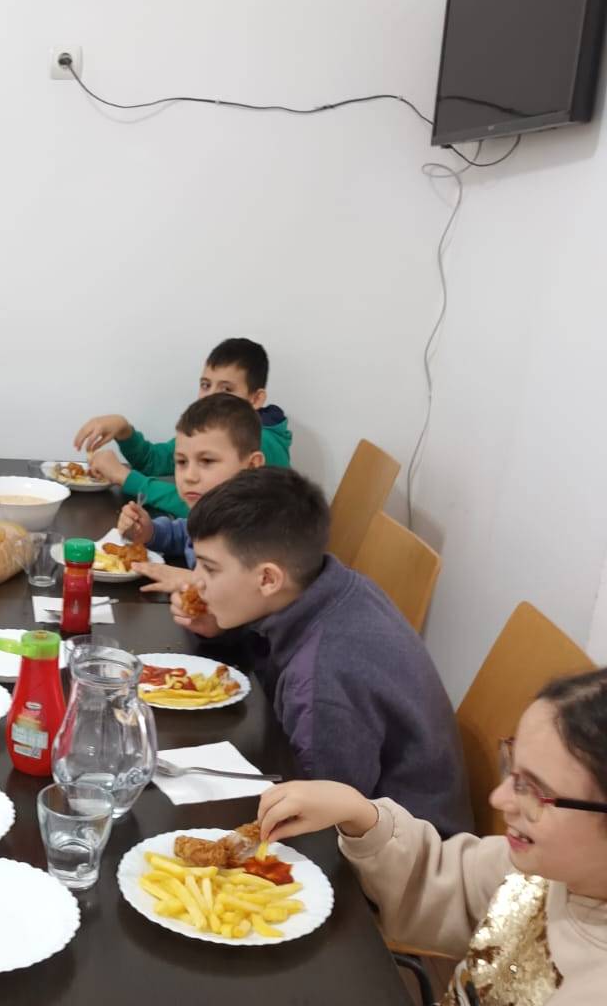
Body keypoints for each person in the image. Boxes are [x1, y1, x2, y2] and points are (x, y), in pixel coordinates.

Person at [102, 668, 607, 1006]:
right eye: (512, 768)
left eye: (535, 791)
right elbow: (449, 879)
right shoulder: (553, 875)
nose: (502, 799)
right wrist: (361, 816)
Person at [174, 467, 472, 835]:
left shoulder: (323, 678)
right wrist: (221, 630)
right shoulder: (333, 586)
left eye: (209, 568)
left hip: (407, 849)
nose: (196, 580)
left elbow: (322, 828)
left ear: (268, 579)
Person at [74, 337, 292, 518]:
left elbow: (208, 506)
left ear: (256, 399)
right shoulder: (209, 429)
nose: (211, 396)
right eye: (205, 385)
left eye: (226, 389)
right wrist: (124, 431)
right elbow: (154, 461)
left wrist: (125, 477)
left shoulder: (262, 442)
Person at [116, 394, 264, 594]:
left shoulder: (259, 531)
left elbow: (253, 595)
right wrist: (149, 531)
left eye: (207, 461)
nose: (189, 476)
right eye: (182, 462)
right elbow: (183, 533)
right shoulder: (210, 515)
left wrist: (193, 581)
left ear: (251, 466)